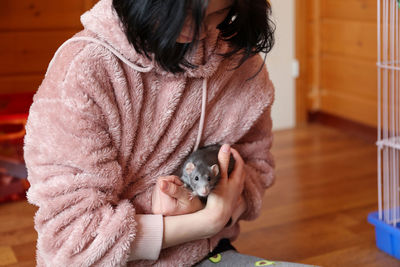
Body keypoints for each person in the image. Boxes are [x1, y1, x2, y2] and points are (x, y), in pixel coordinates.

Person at [24, 0, 312, 266]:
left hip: (202, 255)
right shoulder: (85, 71)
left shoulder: (239, 62)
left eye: (216, 14)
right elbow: (69, 242)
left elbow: (256, 163)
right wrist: (206, 221)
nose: (200, 32)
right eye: (186, 14)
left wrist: (219, 207)